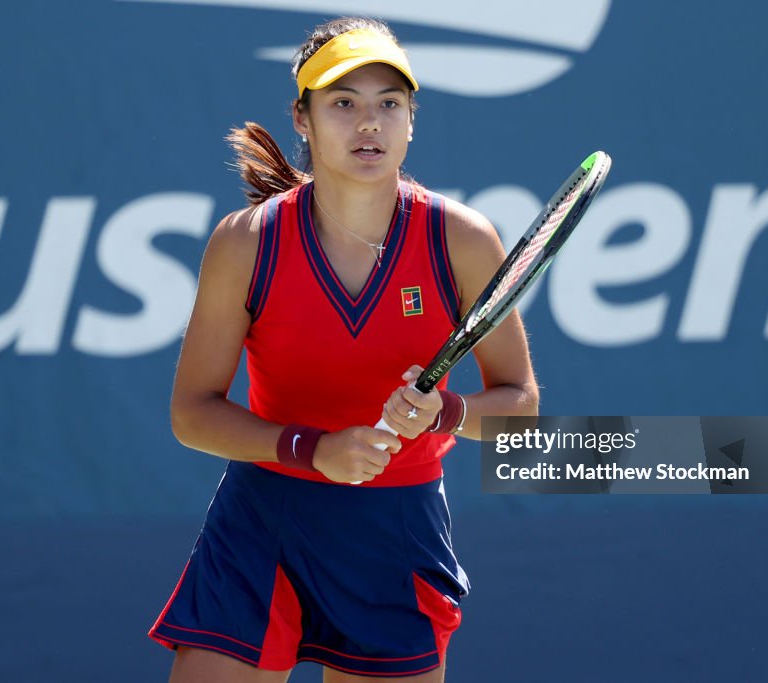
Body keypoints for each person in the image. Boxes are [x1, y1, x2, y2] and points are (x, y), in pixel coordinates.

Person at [148, 16, 539, 683]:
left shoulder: (463, 241)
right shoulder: (246, 242)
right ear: (302, 119)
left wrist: (444, 412)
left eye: (389, 104)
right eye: (343, 103)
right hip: (263, 520)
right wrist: (315, 450)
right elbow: (192, 412)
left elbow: (519, 405)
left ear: (413, 119)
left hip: (395, 532)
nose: (370, 123)